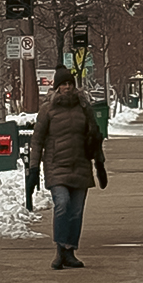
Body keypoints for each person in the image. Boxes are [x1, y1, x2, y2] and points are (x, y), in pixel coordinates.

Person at [26, 65, 105, 269]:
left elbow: (94, 137)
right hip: (56, 165)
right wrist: (33, 169)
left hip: (80, 165)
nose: (67, 87)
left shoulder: (83, 107)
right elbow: (37, 140)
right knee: (62, 204)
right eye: (63, 84)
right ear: (57, 87)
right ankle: (60, 249)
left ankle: (69, 251)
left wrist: (100, 164)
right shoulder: (48, 110)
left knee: (76, 211)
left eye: (70, 83)